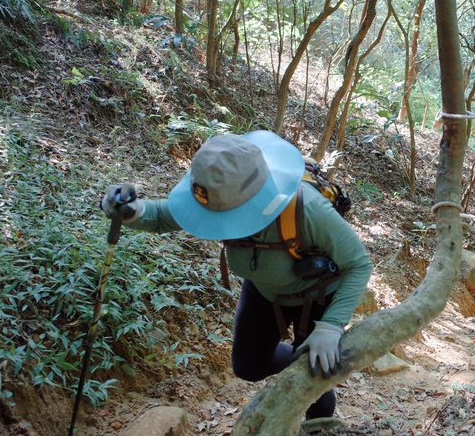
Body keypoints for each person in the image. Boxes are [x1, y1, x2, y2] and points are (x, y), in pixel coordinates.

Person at [100, 131, 373, 419]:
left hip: (318, 295)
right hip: (264, 292)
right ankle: (298, 357)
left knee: (316, 378)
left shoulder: (308, 208)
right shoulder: (218, 192)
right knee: (248, 366)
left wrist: (330, 327)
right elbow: (164, 216)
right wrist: (133, 211)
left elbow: (359, 264)